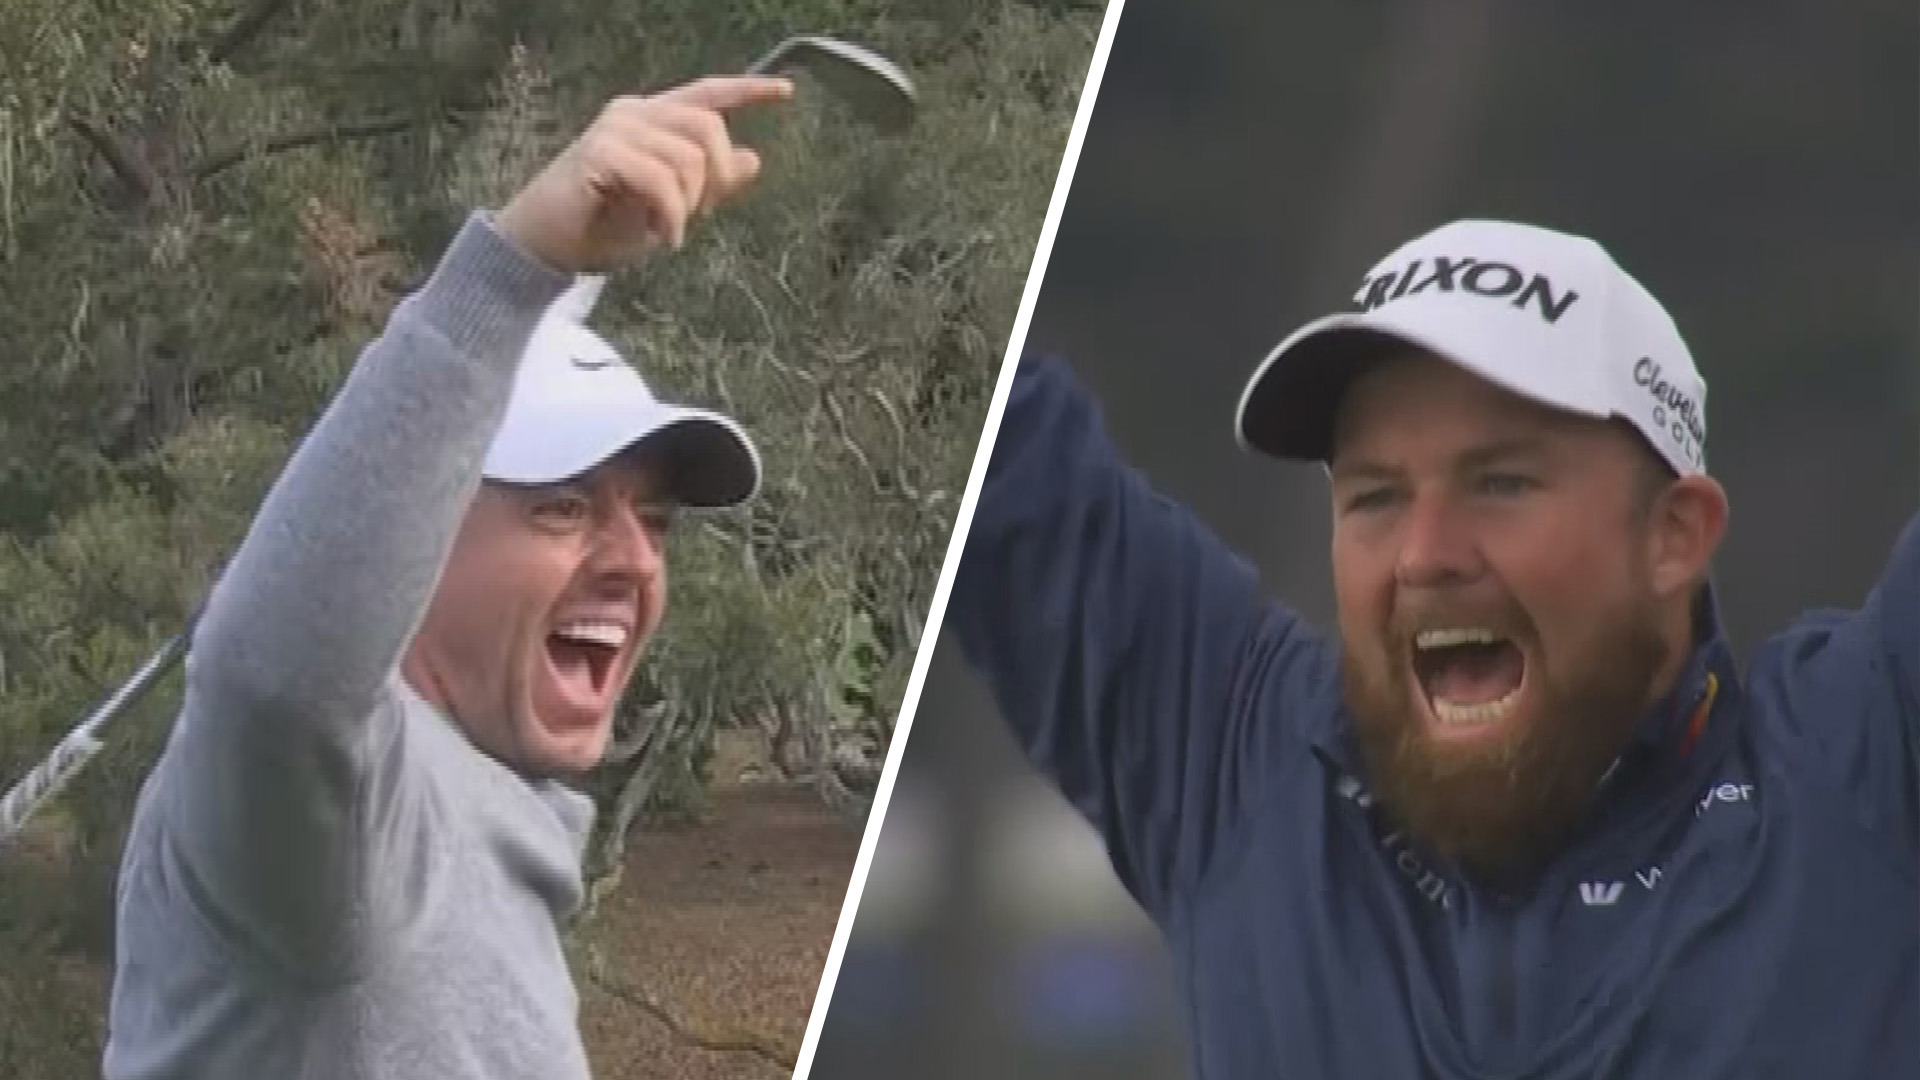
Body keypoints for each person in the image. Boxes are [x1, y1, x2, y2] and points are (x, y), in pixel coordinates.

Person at [948, 218, 1918, 1078]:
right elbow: (980, 429)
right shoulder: (1242, 769)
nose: (1424, 555)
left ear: (1675, 536)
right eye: (1373, 496)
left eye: (1499, 484)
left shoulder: (1859, 772)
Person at [101, 72, 795, 1080]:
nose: (636, 560)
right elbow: (273, 680)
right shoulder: (346, 832)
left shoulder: (497, 826)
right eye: (563, 507)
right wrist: (514, 270)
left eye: (652, 521)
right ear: (423, 533)